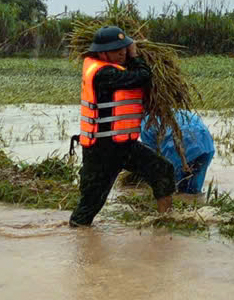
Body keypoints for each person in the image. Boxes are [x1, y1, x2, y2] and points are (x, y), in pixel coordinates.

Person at [69, 26, 175, 226]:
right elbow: (143, 76)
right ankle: (81, 245)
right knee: (89, 208)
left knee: (163, 171)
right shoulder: (103, 74)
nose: (122, 52)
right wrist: (135, 55)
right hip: (101, 151)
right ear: (102, 53)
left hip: (125, 146)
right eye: (116, 49)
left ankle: (165, 224)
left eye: (124, 48)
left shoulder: (116, 69)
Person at [140, 110, 215, 194]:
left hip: (180, 149)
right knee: (194, 191)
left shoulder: (146, 123)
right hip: (206, 145)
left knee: (174, 190)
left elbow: (153, 155)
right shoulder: (181, 112)